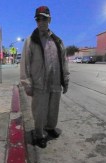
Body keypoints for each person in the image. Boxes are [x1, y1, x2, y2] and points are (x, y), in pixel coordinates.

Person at [20, 6, 70, 148]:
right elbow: (25, 64)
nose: (41, 22)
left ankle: (50, 128)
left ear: (50, 20)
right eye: (38, 19)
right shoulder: (31, 41)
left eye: (44, 18)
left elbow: (64, 61)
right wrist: (26, 83)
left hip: (55, 83)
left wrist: (65, 80)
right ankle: (39, 134)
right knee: (40, 111)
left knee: (53, 108)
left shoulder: (57, 41)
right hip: (39, 84)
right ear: (36, 21)